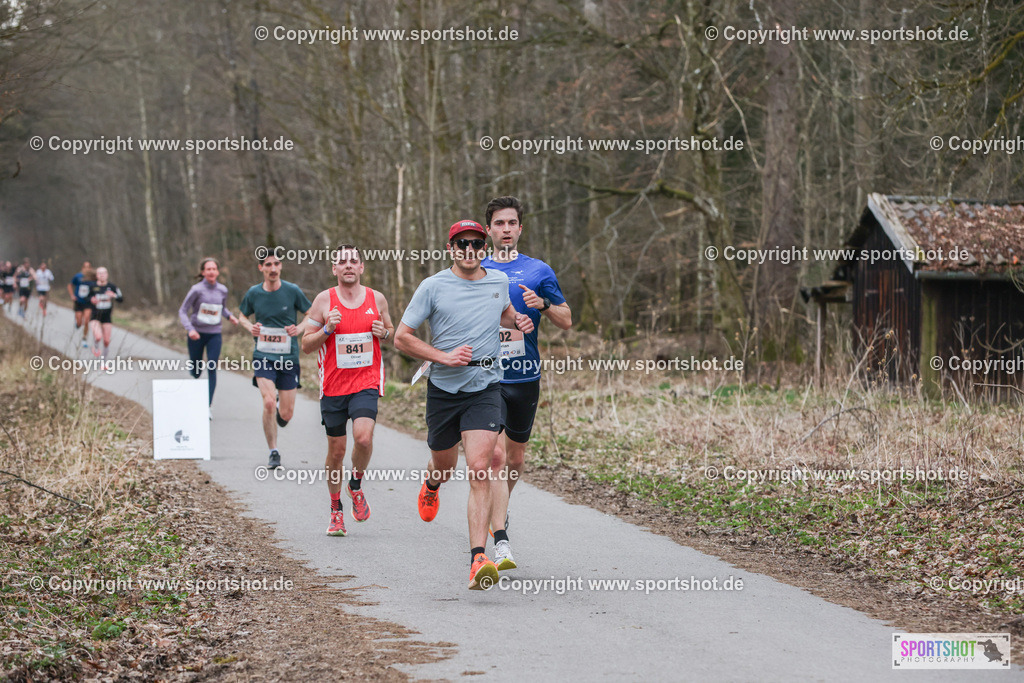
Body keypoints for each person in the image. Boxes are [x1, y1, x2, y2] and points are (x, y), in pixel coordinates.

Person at [394, 219, 534, 590]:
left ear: (484, 247)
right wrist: (442, 356)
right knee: (444, 464)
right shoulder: (433, 286)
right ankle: (432, 483)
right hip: (443, 389)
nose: (469, 250)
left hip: (486, 385)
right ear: (450, 248)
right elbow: (401, 338)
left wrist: (516, 318)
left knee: (480, 468)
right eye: (462, 244)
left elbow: (501, 311)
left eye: (475, 243)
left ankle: (478, 559)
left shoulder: (497, 282)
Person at [481, 196, 572, 567]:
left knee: (516, 459)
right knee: (497, 456)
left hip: (526, 376)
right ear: (488, 229)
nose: (505, 229)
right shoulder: (476, 267)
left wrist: (543, 306)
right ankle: (499, 532)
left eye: (511, 223)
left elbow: (566, 319)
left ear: (520, 229)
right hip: (488, 377)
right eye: (498, 223)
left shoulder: (538, 270)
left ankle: (500, 508)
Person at [302, 245, 394, 536]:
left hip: (366, 381)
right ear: (334, 269)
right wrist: (327, 329)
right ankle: (335, 509)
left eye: (353, 260)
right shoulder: (322, 301)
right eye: (342, 262)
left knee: (363, 438)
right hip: (333, 386)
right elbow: (306, 344)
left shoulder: (376, 298)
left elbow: (390, 330)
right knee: (336, 451)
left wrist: (385, 333)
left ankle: (355, 484)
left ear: (362, 267)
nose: (348, 265)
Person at [238, 252, 312, 470]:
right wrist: (249, 327)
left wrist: (299, 328)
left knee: (286, 414)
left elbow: (311, 314)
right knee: (269, 402)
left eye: (277, 264)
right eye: (268, 264)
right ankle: (274, 452)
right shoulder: (254, 293)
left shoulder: (292, 291)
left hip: (288, 357)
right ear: (261, 268)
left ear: (281, 266)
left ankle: (281, 408)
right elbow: (242, 315)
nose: (273, 268)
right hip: (263, 356)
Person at [178, 257, 239, 416]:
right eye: (208, 269)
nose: (211, 271)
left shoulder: (222, 290)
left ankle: (207, 406)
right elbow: (182, 311)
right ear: (203, 272)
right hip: (196, 335)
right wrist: (190, 329)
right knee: (197, 371)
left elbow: (222, 308)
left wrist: (230, 316)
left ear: (218, 272)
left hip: (214, 335)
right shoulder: (196, 290)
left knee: (212, 366)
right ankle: (194, 378)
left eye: (214, 269)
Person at [88, 268, 123, 359]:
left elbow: (121, 299)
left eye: (104, 273)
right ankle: (95, 347)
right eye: (99, 273)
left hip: (107, 316)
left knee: (107, 341)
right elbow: (85, 298)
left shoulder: (112, 286)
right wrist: (91, 300)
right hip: (95, 315)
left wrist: (114, 295)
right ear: (96, 276)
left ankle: (104, 361)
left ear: (107, 274)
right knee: (98, 337)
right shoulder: (92, 286)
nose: (102, 275)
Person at [68, 261, 95, 347]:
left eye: (88, 267)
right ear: (82, 268)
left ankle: (84, 338)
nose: (87, 269)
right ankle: (78, 323)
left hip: (88, 302)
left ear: (90, 268)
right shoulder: (78, 276)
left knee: (86, 320)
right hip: (78, 302)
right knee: (79, 322)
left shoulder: (92, 277)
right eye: (85, 267)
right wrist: (72, 295)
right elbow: (70, 285)